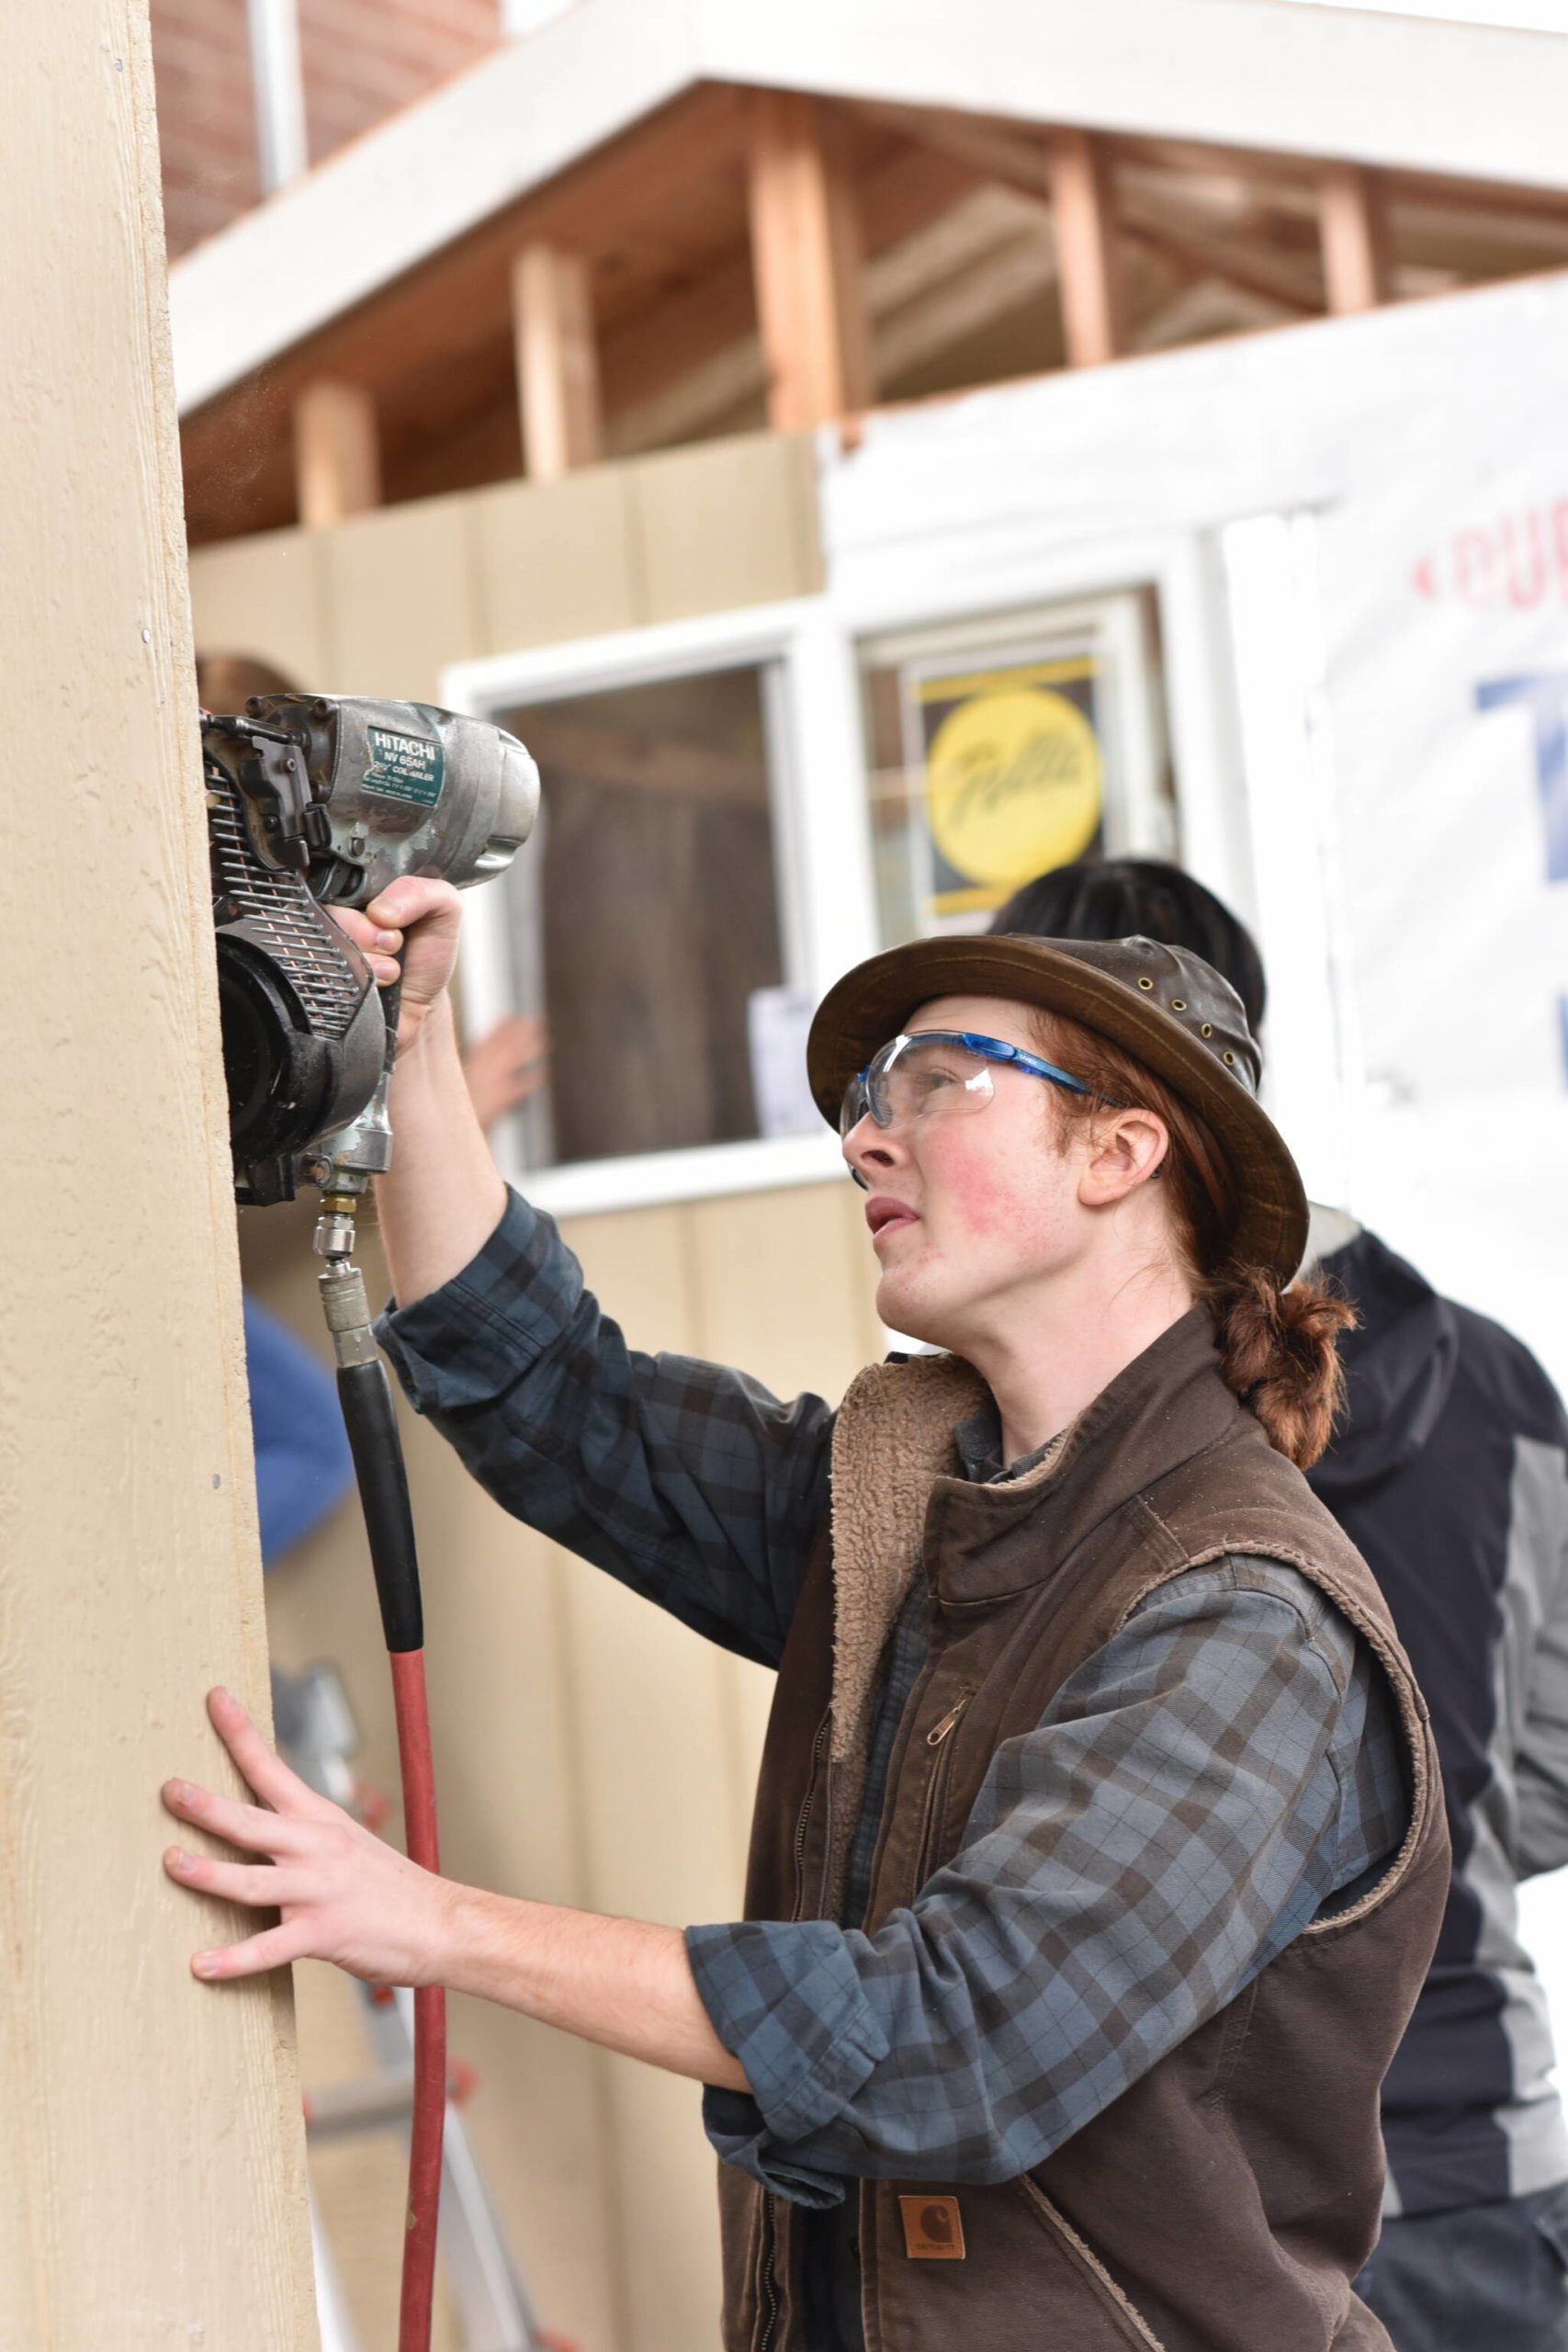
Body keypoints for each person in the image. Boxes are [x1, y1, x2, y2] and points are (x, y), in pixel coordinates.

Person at [161, 876, 1448, 2352]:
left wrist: (431, 1921)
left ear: (1119, 1150)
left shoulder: (1244, 1616)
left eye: (939, 1084)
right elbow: (555, 1400)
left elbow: (954, 2039)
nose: (865, 1137)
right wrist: (417, 1047)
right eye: (864, 1095)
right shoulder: (915, 1499)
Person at [992, 856, 1568, 2352]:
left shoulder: (1075, 1414)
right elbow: (1563, 1763)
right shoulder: (1499, 1381)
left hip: (1217, 2223)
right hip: (1483, 2174)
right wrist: (1422, 1838)